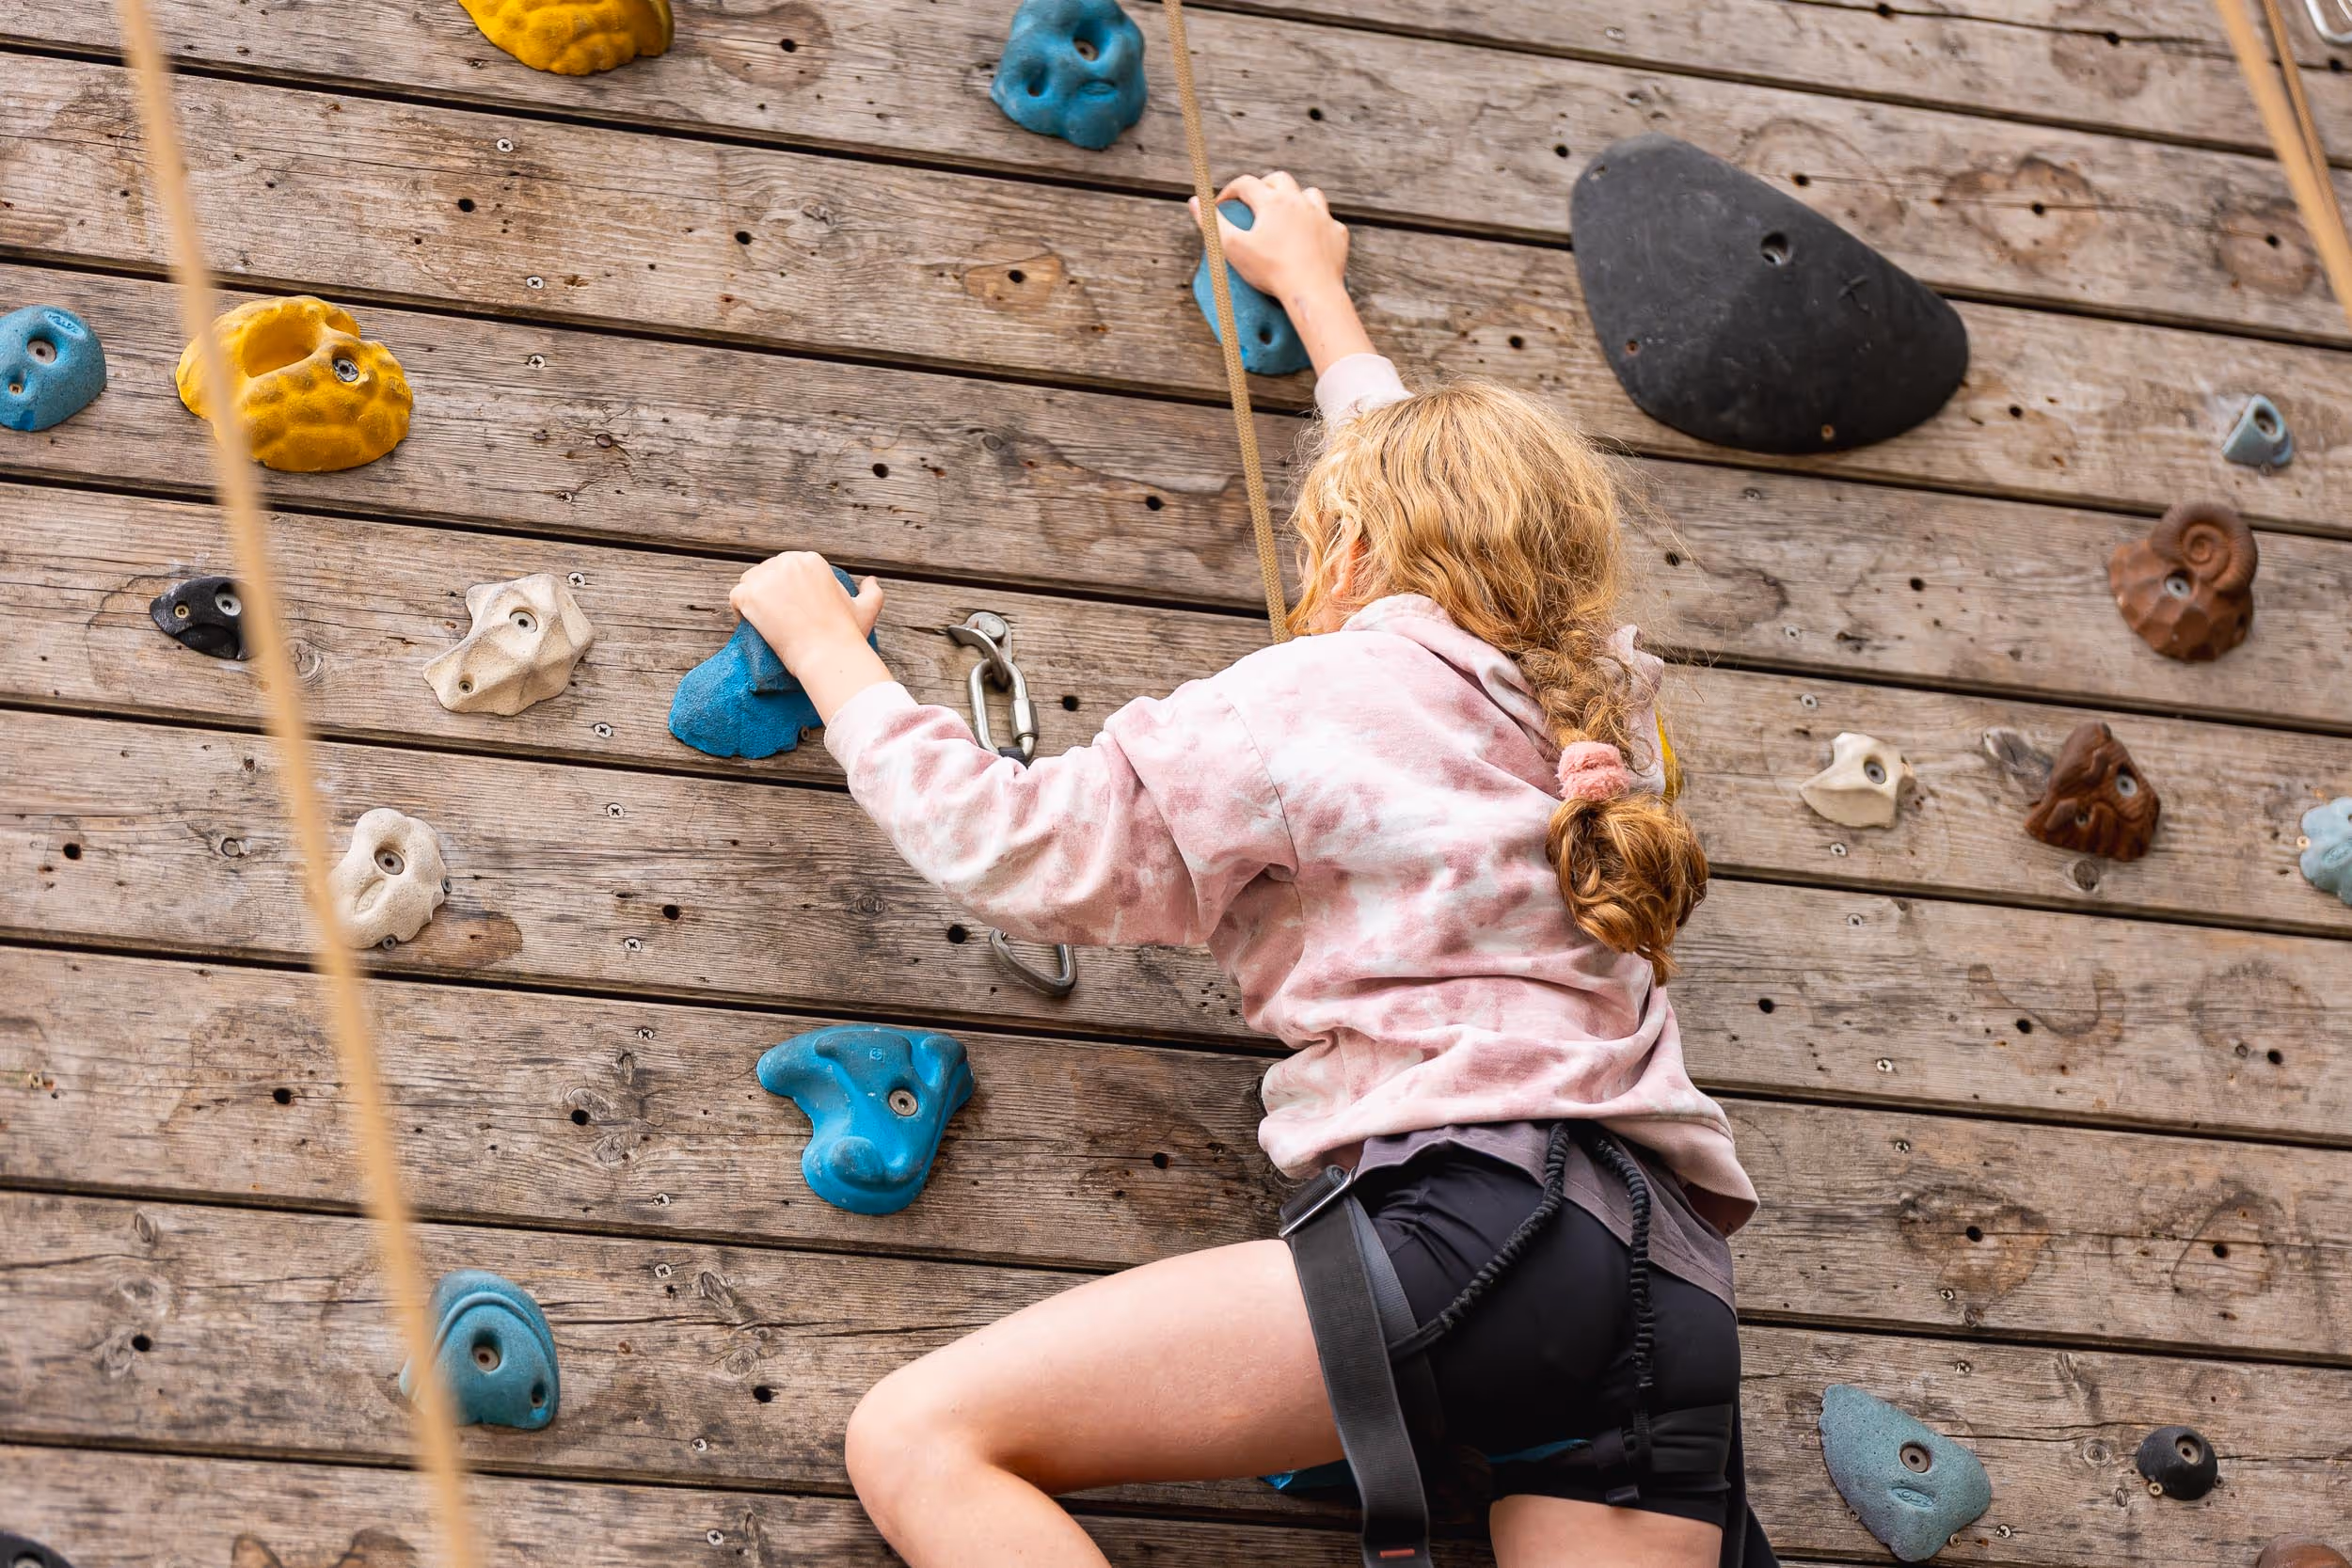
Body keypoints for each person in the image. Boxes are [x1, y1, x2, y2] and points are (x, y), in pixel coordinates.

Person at [730, 170, 1760, 1568]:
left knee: (921, 1435)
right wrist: (1318, 295)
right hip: (1667, 1290)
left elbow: (1018, 847)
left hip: (1469, 1231)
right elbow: (1430, 489)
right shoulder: (1609, 713)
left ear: (1343, 541)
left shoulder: (1308, 700)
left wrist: (828, 652)